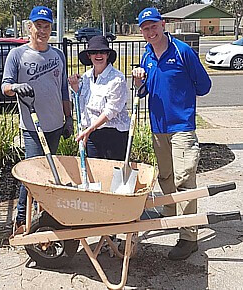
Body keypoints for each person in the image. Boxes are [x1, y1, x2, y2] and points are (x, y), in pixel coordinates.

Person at [132, 7, 211, 260]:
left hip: (181, 127)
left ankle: (189, 237)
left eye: (153, 26)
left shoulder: (182, 51)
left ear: (163, 24)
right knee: (165, 175)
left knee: (184, 179)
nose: (150, 31)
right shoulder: (146, 56)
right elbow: (144, 91)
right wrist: (138, 82)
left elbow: (204, 86)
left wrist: (183, 101)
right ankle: (170, 214)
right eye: (145, 28)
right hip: (158, 128)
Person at [1, 6, 73, 227]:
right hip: (32, 127)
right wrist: (15, 86)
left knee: (50, 171)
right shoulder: (17, 55)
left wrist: (68, 119)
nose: (42, 31)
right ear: (30, 27)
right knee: (31, 174)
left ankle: (45, 214)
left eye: (46, 26)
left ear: (51, 28)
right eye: (38, 26)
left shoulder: (58, 55)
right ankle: (22, 218)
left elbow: (62, 89)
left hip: (54, 125)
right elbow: (5, 86)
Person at [68, 35, 130, 161]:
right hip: (91, 134)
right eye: (94, 52)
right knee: (95, 170)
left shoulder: (117, 79)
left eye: (102, 52)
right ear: (89, 56)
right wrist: (75, 88)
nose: (98, 55)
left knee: (113, 173)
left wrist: (89, 130)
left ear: (108, 55)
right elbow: (82, 105)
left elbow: (111, 110)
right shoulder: (86, 77)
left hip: (113, 134)